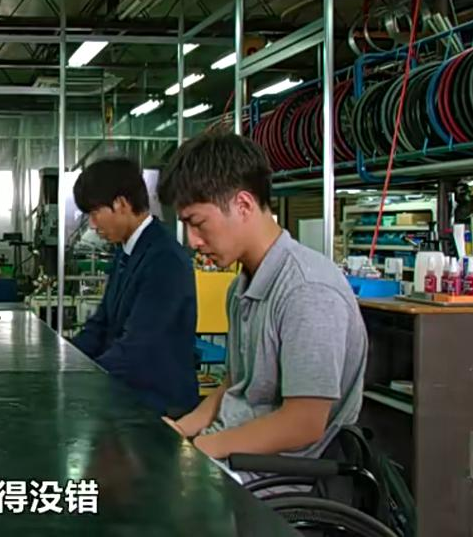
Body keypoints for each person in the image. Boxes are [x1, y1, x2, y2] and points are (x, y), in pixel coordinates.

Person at [157, 131, 367, 470]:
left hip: (275, 473)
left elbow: (304, 423)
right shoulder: (241, 288)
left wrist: (202, 449)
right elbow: (237, 384)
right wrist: (182, 431)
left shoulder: (307, 291)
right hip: (230, 452)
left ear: (243, 205)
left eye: (198, 224)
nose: (193, 241)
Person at [71, 157, 199, 417]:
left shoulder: (165, 259)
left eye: (94, 213)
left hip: (160, 409)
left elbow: (139, 348)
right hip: (128, 398)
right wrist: (65, 361)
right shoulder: (127, 250)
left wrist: (79, 380)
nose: (92, 225)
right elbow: (101, 325)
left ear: (121, 204)